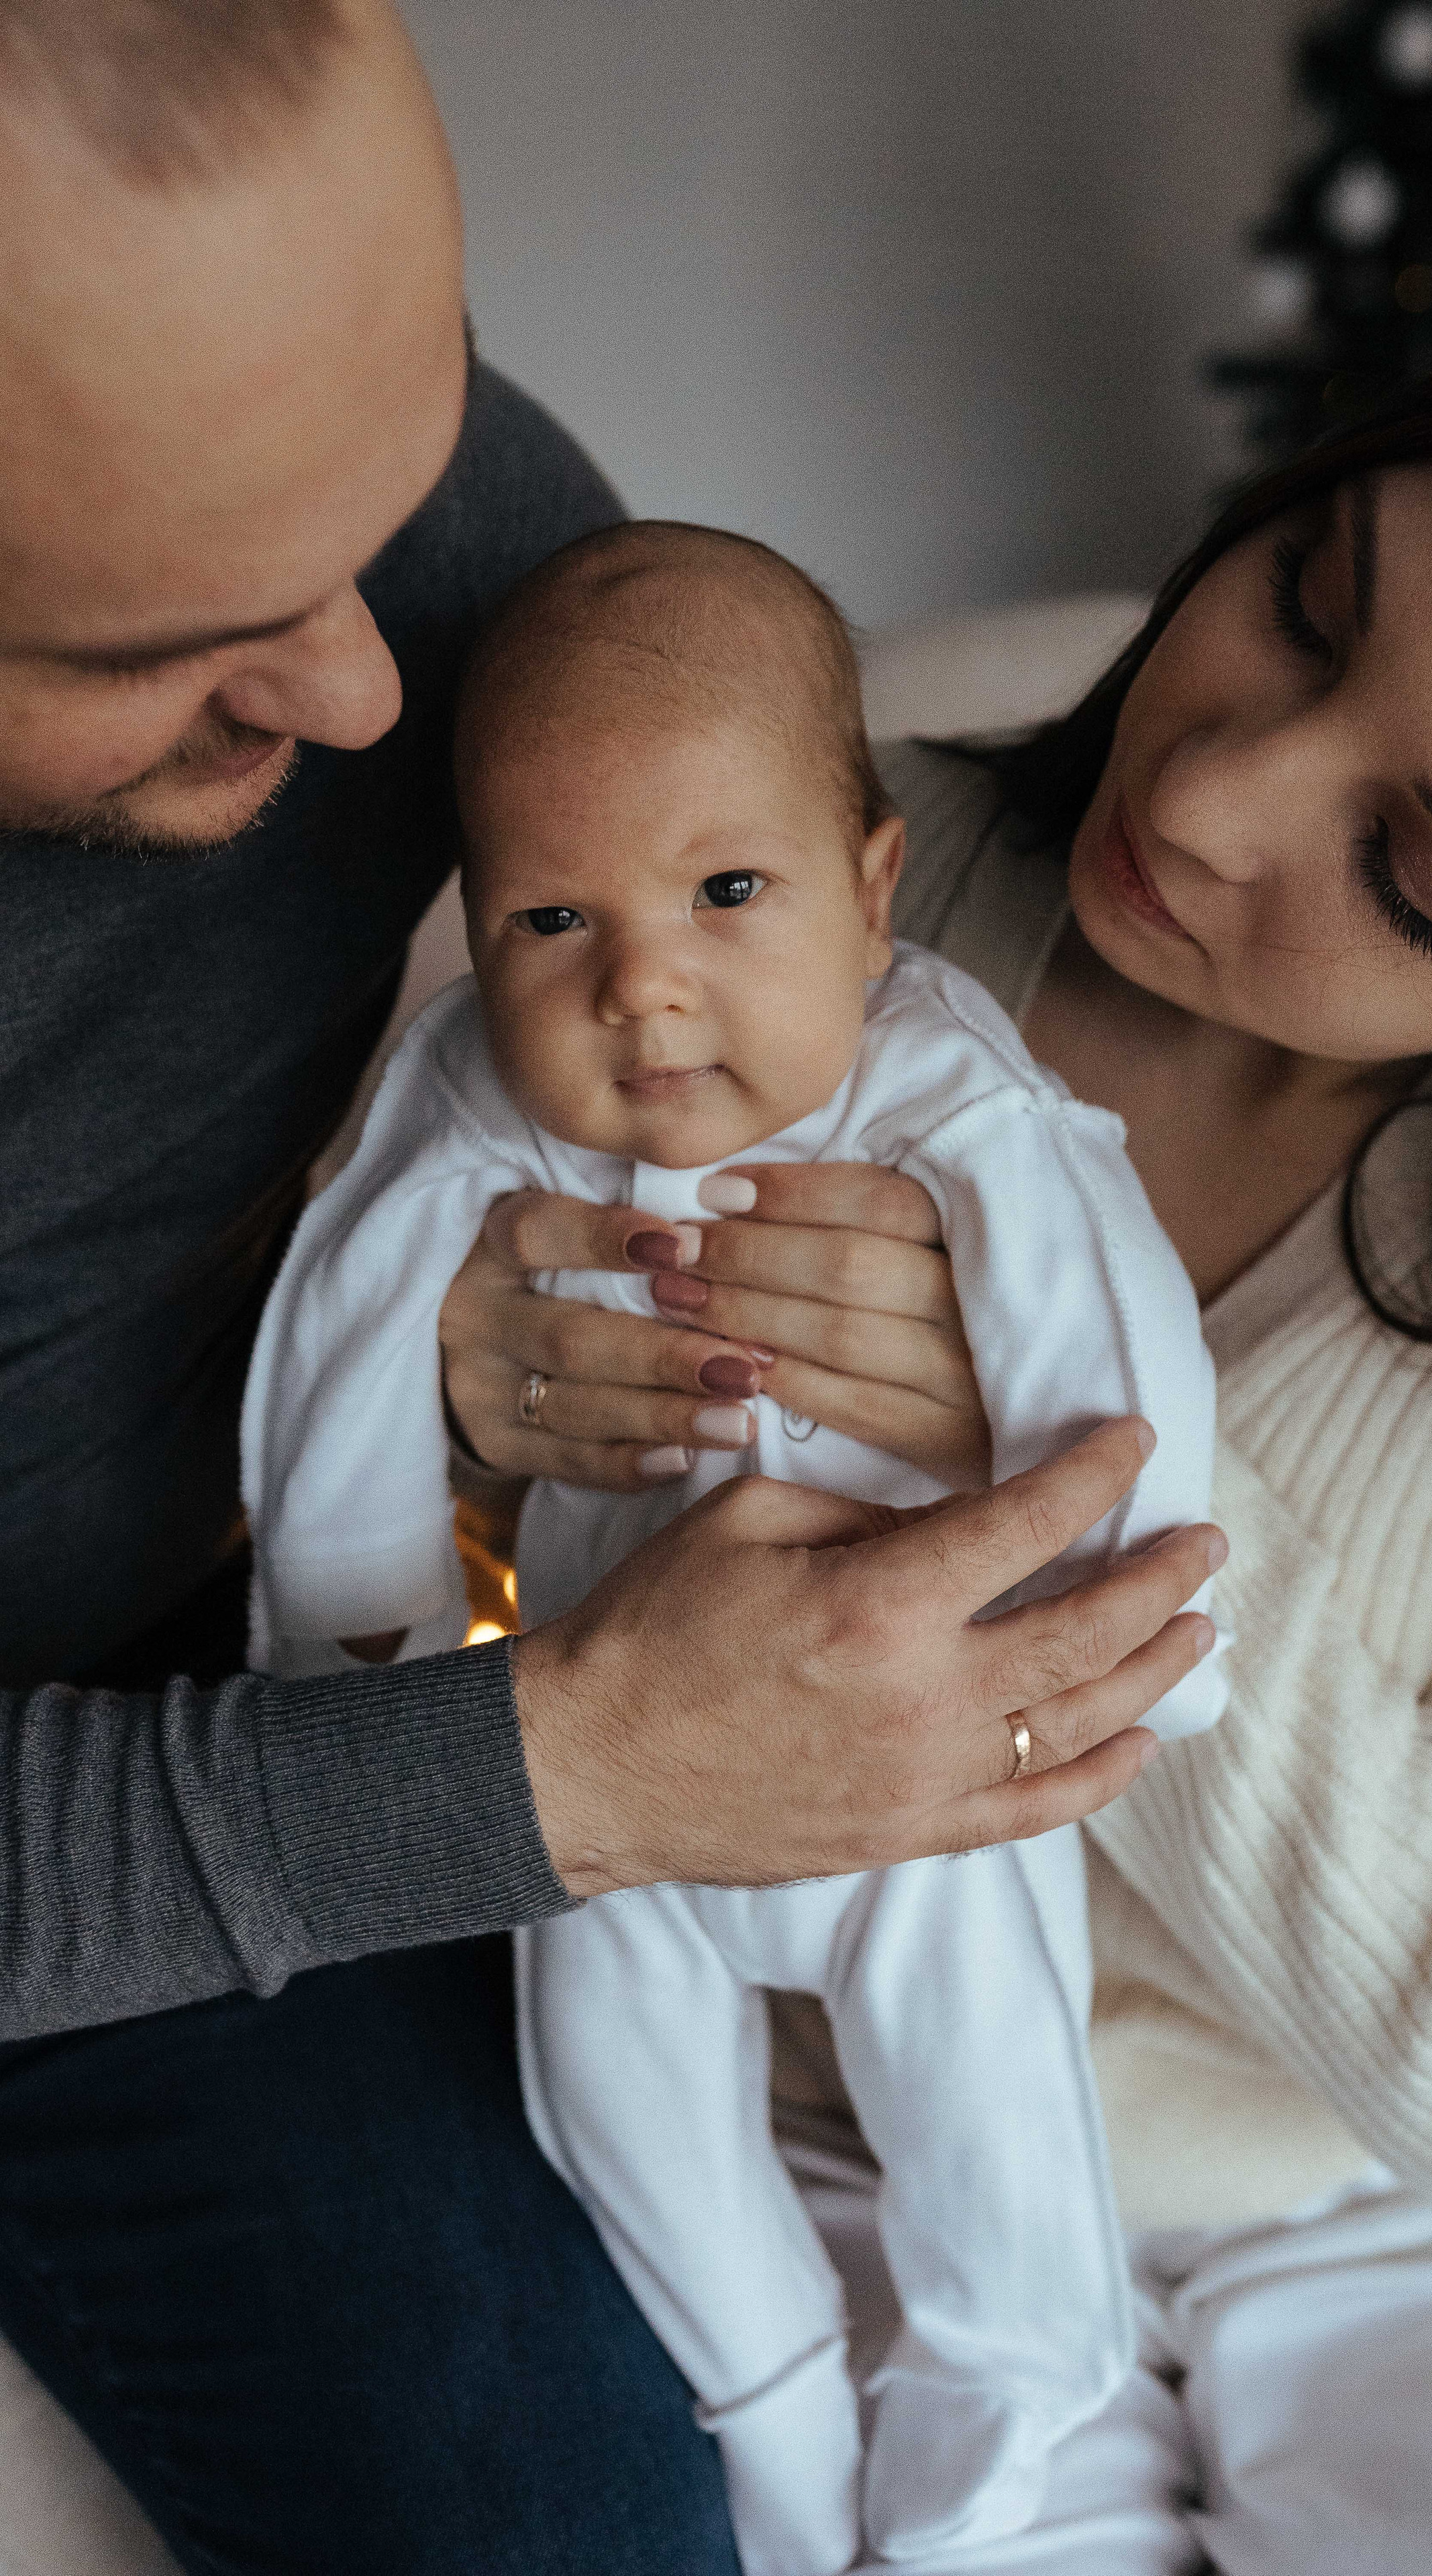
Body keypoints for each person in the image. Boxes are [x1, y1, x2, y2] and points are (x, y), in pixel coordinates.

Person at [0, 7, 1219, 2571]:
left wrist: (500, 1377)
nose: (371, 702)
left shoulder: (472, 560)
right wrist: (527, 1775)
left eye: (401, 460)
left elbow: (726, 862)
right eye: (178, 635)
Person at [500, 283, 1432, 2573]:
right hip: (770, 2132)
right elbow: (432, 1524)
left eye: (1413, 876)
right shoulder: (791, 888)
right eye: (1308, 596)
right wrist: (488, 1379)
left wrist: (1066, 1418)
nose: (1211, 789)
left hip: (1320, 2204)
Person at [242, 519, 1226, 2574]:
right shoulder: (479, 1102)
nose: (645, 983)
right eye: (546, 918)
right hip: (612, 1749)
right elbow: (349, 1312)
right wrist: (356, 1639)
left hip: (921, 1762)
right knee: (610, 2098)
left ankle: (1009, 2397)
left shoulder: (950, 1091)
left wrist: (1135, 1628)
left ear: (873, 895)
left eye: (726, 891)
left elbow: (1103, 1344)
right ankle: (767, 2390)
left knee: (994, 2115)